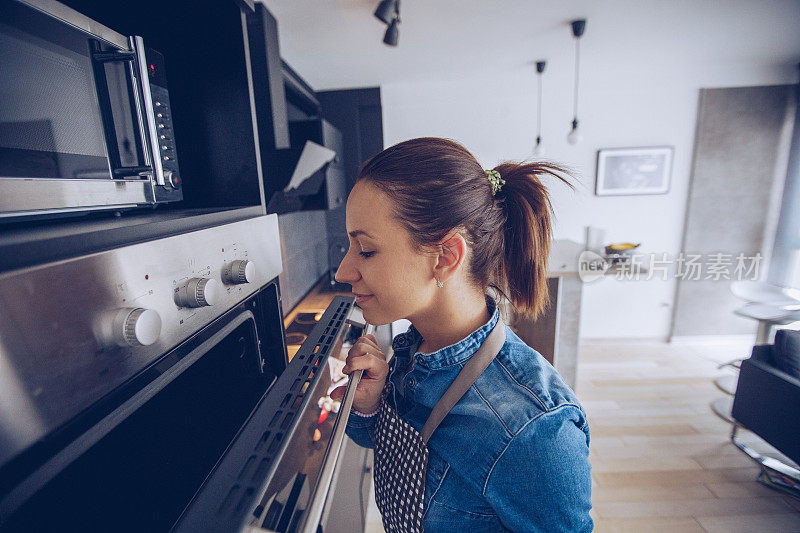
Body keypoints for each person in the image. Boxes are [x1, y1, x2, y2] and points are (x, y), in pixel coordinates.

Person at [331, 137, 592, 532]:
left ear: (446, 257)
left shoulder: (533, 433)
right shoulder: (413, 347)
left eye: (365, 250)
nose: (343, 271)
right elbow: (405, 462)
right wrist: (369, 407)